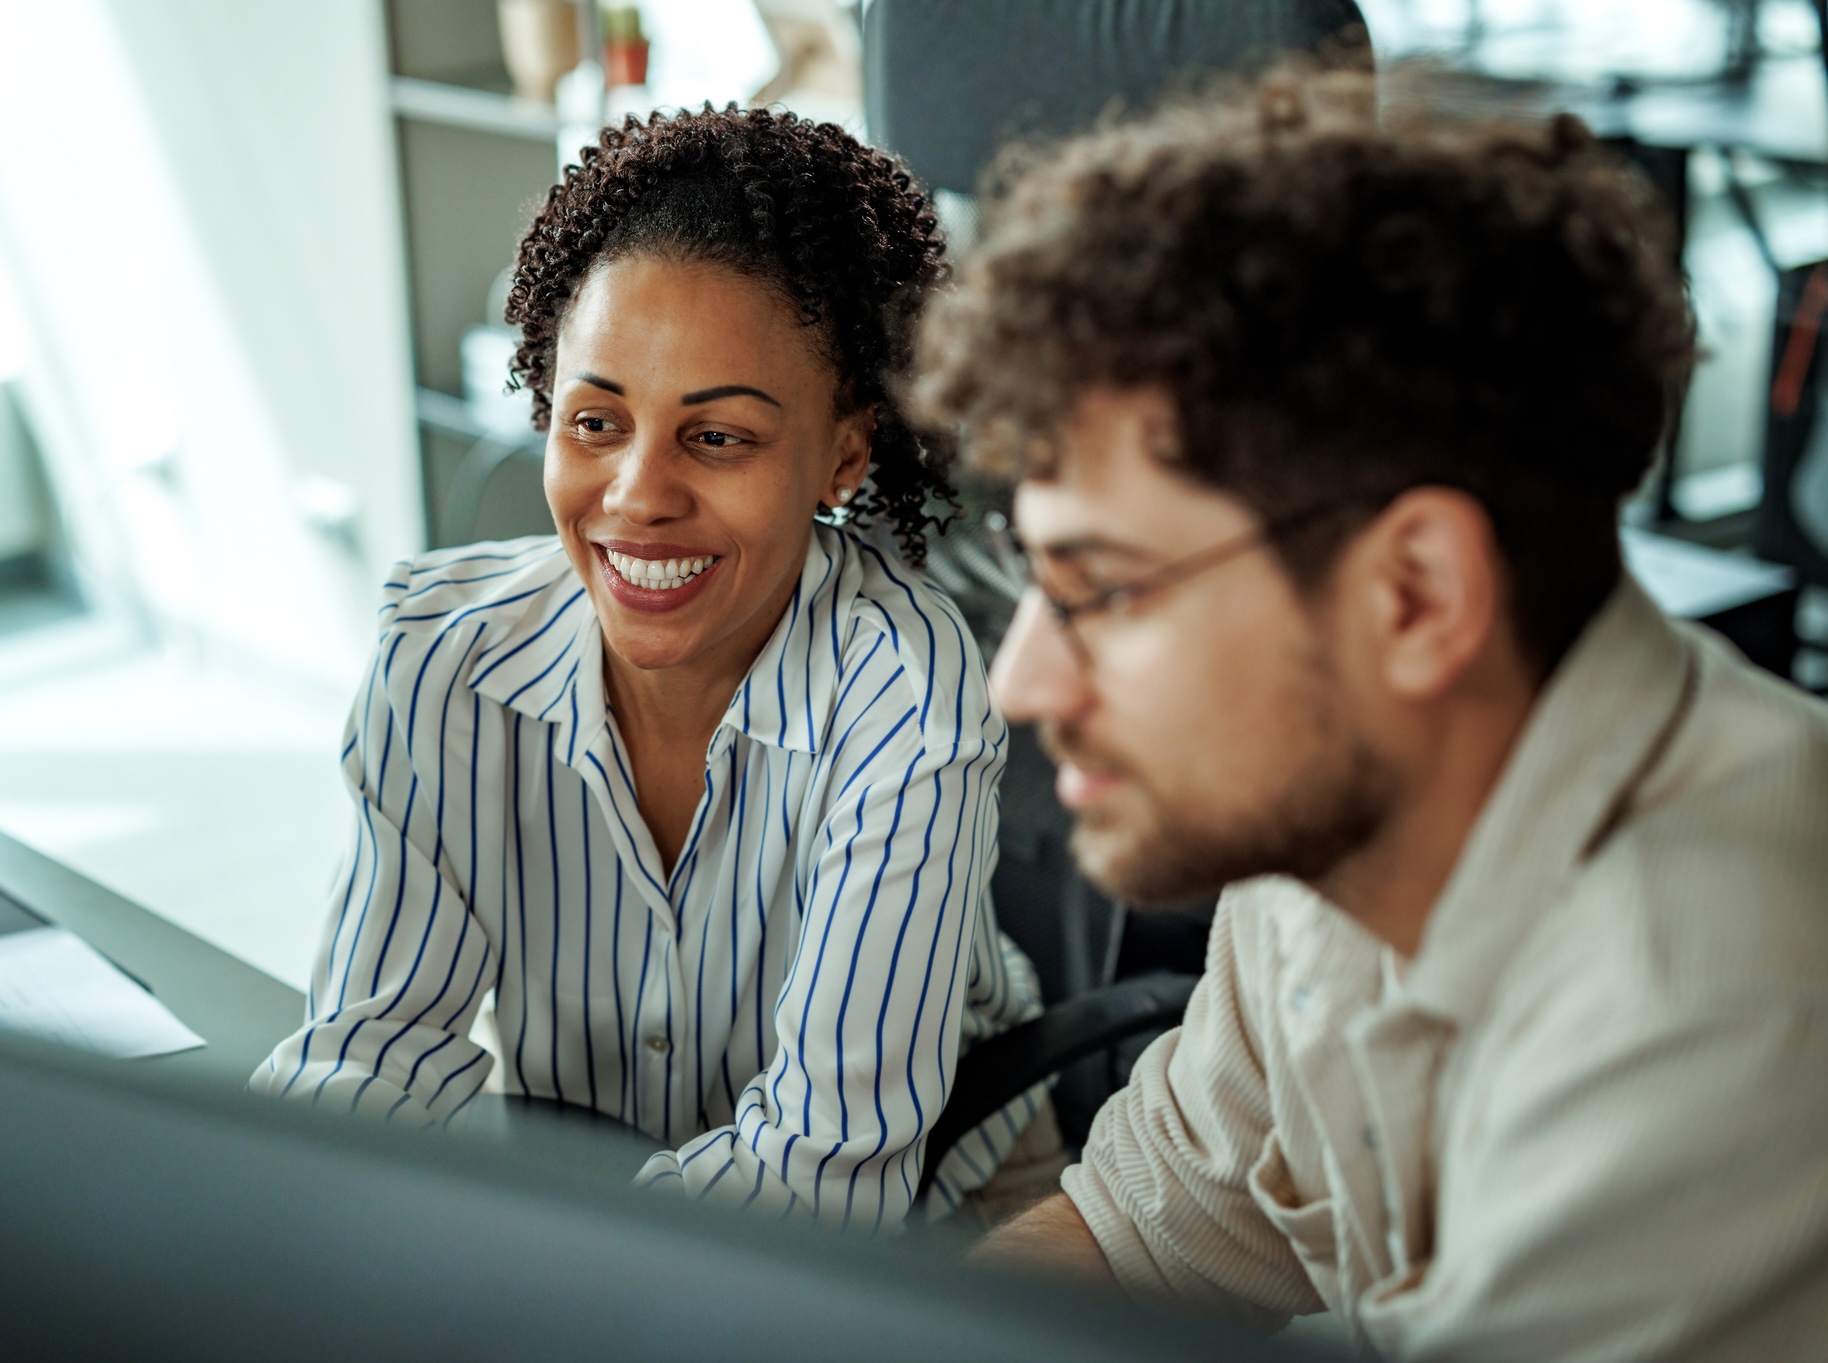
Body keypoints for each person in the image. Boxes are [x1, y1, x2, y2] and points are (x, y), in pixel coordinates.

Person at [912, 74, 1828, 1357]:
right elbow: (1147, 1233)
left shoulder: (1699, 1022)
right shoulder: (1336, 809)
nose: (1019, 684)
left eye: (1103, 589)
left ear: (1416, 595)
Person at [254, 106, 1043, 1228]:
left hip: (936, 1206)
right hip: (617, 1207)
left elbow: (820, 1177)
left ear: (844, 454)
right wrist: (291, 1221)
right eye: (594, 422)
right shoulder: (442, 657)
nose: (636, 497)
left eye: (717, 437)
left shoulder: (903, 693)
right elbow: (366, 1054)